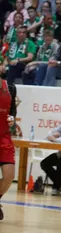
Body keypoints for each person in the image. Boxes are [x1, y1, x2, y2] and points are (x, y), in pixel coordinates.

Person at [0, 76, 17, 220]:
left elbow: (12, 112)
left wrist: (12, 119)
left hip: (4, 137)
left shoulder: (10, 88)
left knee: (9, 175)